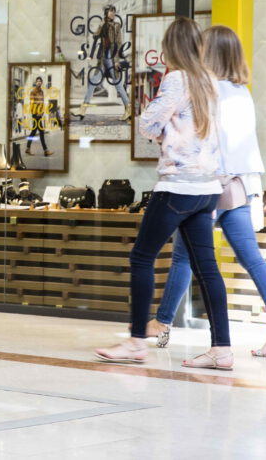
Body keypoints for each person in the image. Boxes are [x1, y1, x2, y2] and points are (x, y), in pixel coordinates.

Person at [148, 26, 266, 358]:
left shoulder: (211, 93)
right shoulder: (242, 93)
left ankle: (162, 323)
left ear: (208, 53)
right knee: (252, 259)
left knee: (183, 256)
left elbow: (212, 145)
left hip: (213, 186)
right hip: (241, 188)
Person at [95, 18, 233, 370]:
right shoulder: (211, 82)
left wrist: (163, 134)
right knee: (207, 268)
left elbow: (148, 123)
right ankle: (222, 349)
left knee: (142, 258)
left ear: (171, 47)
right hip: (207, 188)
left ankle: (135, 342)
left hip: (177, 187)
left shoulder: (176, 79)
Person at [72, 4, 131, 121]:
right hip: (103, 57)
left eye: (114, 11)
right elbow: (95, 36)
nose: (113, 13)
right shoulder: (103, 24)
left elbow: (119, 43)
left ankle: (128, 109)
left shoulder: (116, 26)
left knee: (117, 83)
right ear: (106, 13)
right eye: (111, 11)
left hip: (111, 57)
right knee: (94, 81)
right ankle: (82, 109)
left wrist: (116, 60)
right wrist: (101, 24)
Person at [24, 77, 53, 156]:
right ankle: (45, 150)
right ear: (36, 82)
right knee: (40, 132)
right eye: (37, 81)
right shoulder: (33, 92)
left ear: (41, 83)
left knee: (35, 131)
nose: (39, 82)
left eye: (40, 81)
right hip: (35, 114)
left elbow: (42, 102)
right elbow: (32, 103)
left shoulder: (42, 92)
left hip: (40, 114)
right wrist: (36, 113)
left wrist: (42, 112)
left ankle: (28, 148)